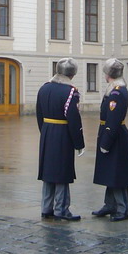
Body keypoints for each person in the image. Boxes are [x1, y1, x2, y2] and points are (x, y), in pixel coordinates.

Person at [36, 58, 85, 221]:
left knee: (48, 171)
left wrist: (44, 132)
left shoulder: (44, 88)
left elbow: (39, 114)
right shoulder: (70, 92)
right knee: (62, 172)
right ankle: (61, 209)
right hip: (62, 132)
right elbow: (73, 119)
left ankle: (46, 207)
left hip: (47, 131)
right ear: (72, 73)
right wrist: (79, 142)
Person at [92, 59, 128, 221]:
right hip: (110, 132)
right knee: (110, 172)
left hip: (115, 135)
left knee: (117, 174)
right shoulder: (114, 89)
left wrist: (106, 141)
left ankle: (121, 209)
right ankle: (110, 204)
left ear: (108, 74)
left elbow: (113, 119)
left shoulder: (116, 92)